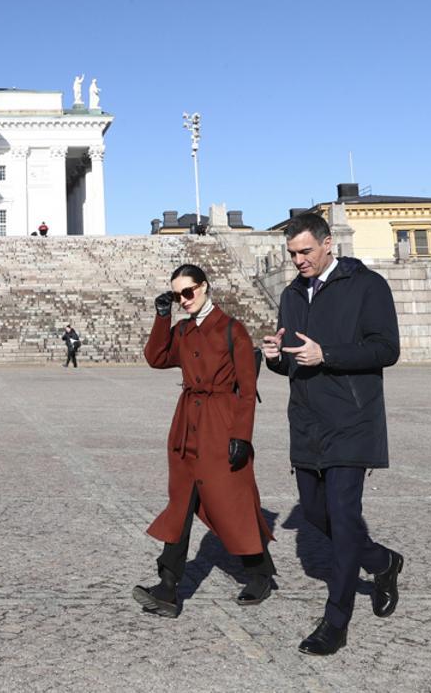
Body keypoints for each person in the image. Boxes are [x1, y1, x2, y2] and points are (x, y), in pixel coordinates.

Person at [261, 213, 403, 656]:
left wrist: (329, 355)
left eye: (305, 252)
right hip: (306, 423)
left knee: (343, 520)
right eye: (292, 254)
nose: (298, 260)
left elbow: (387, 349)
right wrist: (273, 357)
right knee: (319, 517)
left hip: (352, 420)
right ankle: (383, 561)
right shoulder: (290, 294)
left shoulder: (368, 285)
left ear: (327, 246)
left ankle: (335, 621)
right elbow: (291, 360)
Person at [135, 263, 275, 618]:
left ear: (205, 287)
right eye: (176, 295)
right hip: (186, 426)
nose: (183, 300)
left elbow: (247, 389)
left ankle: (260, 573)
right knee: (180, 505)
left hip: (221, 424)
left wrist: (241, 435)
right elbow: (156, 358)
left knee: (230, 503)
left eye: (187, 292)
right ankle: (167, 589)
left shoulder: (233, 330)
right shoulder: (181, 330)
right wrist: (161, 317)